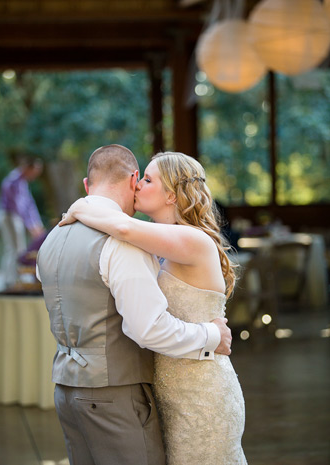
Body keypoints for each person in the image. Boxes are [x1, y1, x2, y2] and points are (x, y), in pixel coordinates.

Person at [36, 144, 233, 465]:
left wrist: (80, 208)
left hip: (196, 392)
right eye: (141, 180)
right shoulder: (128, 242)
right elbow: (148, 326)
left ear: (172, 194)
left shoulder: (55, 239)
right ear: (131, 178)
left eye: (150, 181)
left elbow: (124, 227)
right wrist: (211, 335)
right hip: (132, 390)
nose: (140, 186)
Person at [0, 154, 45, 287]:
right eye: (35, 171)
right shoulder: (14, 181)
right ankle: (10, 281)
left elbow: (29, 205)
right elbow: (19, 207)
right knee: (14, 249)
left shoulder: (22, 182)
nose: (35, 175)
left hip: (15, 217)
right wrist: (31, 226)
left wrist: (37, 223)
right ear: (27, 168)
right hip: (9, 216)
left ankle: (15, 279)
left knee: (19, 248)